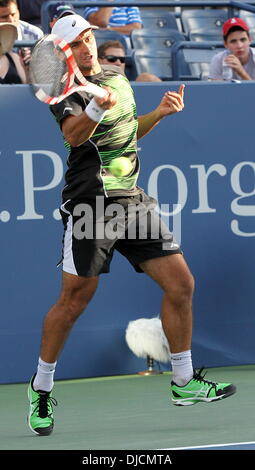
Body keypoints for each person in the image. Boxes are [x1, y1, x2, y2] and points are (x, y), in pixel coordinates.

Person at [27, 14, 236, 436]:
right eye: (77, 44)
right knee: (73, 303)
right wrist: (92, 104)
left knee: (181, 284)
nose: (87, 47)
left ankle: (182, 381)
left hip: (133, 200)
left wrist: (158, 113)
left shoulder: (116, 80)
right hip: (91, 205)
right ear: (65, 53)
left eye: (89, 38)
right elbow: (73, 135)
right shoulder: (66, 91)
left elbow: (126, 133)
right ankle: (41, 389)